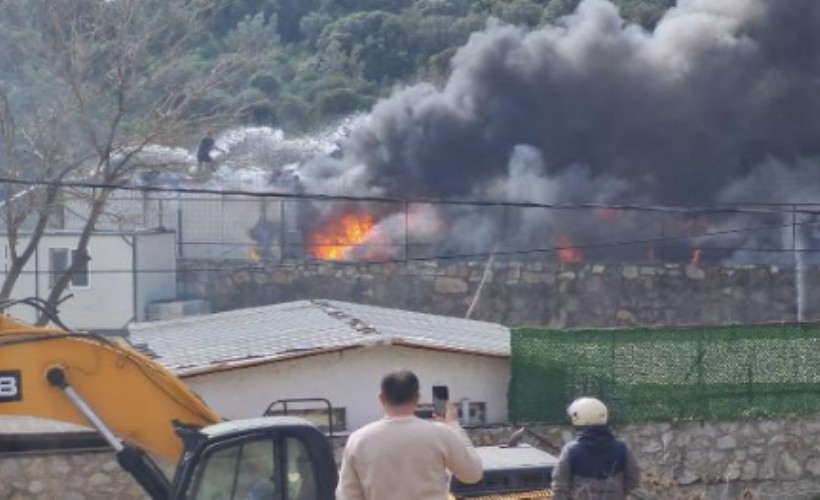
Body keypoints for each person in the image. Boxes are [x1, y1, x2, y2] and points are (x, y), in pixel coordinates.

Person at [336, 370, 483, 500]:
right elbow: (473, 474)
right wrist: (454, 426)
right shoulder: (441, 434)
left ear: (381, 398)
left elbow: (347, 495)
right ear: (417, 398)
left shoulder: (358, 440)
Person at [551, 397, 641, 500]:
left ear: (578, 418)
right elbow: (634, 484)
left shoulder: (570, 451)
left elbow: (559, 489)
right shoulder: (623, 449)